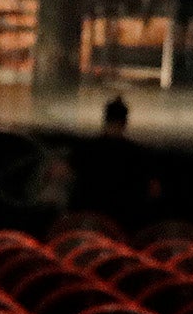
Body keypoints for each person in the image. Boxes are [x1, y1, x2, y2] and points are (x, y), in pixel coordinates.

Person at [67, 93, 160, 228]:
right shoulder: (138, 154)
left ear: (105, 119)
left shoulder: (86, 150)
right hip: (125, 222)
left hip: (88, 222)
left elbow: (66, 177)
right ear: (125, 122)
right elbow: (154, 191)